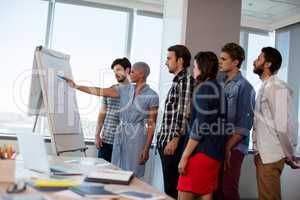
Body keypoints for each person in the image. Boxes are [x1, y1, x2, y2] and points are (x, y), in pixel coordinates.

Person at [64, 62, 159, 178]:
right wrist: (76, 86)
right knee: (115, 171)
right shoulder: (123, 90)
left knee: (133, 174)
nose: (130, 73)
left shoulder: (152, 96)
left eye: (133, 71)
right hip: (120, 134)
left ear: (141, 74)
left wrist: (146, 149)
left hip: (137, 137)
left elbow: (151, 124)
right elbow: (99, 91)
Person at [177, 51, 228, 200]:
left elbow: (200, 127)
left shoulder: (204, 89)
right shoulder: (219, 88)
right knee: (205, 194)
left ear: (201, 67)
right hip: (215, 154)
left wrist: (184, 157)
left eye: (194, 66)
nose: (193, 70)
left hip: (200, 154)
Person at [252, 47, 299, 200]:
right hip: (263, 154)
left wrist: (290, 154)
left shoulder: (276, 86)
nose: (254, 61)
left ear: (267, 64)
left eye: (259, 58)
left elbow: (284, 124)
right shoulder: (263, 86)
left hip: (271, 155)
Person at [215, 43, 256, 200]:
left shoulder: (245, 87)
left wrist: (227, 148)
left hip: (234, 147)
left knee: (228, 189)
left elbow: (244, 126)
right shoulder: (218, 82)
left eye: (223, 59)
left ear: (235, 62)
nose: (220, 62)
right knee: (216, 189)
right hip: (217, 145)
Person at [156, 44, 194, 199]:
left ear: (180, 60)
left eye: (169, 58)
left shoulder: (185, 80)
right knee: (169, 186)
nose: (166, 62)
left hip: (173, 142)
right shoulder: (177, 81)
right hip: (166, 139)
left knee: (172, 188)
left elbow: (183, 112)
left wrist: (175, 139)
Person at [95, 58, 131, 162]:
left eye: (118, 70)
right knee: (101, 174)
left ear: (127, 70)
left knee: (120, 176)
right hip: (106, 141)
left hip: (124, 143)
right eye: (114, 72)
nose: (116, 74)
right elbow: (102, 114)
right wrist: (97, 135)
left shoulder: (135, 92)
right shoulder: (109, 90)